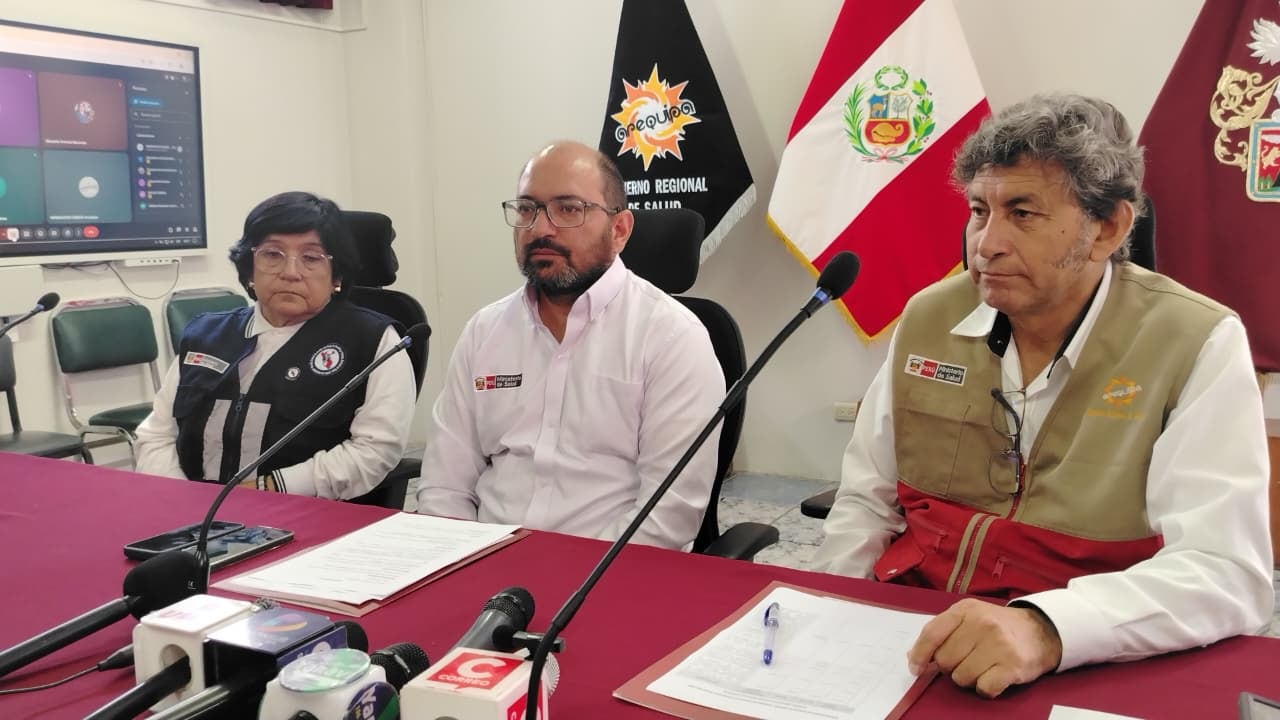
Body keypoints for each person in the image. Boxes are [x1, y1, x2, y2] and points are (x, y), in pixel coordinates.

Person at [811, 94, 1273, 697]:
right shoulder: (928, 319)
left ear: (1108, 228)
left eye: (1022, 213)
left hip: (1085, 652)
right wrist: (828, 613)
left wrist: (1047, 629)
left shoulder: (1195, 341)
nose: (986, 244)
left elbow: (1227, 573)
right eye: (980, 210)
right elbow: (867, 503)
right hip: (912, 640)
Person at [416, 141, 724, 550]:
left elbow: (668, 517)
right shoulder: (484, 331)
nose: (541, 228)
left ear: (620, 230)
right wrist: (457, 562)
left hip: (608, 578)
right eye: (527, 209)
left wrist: (566, 580)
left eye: (568, 209)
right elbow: (444, 485)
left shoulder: (671, 336)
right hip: (484, 568)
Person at [135, 191, 416, 499]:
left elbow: (374, 451)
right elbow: (156, 434)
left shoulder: (374, 340)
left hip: (306, 514)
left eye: (311, 258)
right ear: (249, 266)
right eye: (272, 254)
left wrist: (262, 492)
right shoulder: (206, 334)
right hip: (190, 514)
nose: (290, 272)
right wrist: (182, 499)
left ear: (336, 274)